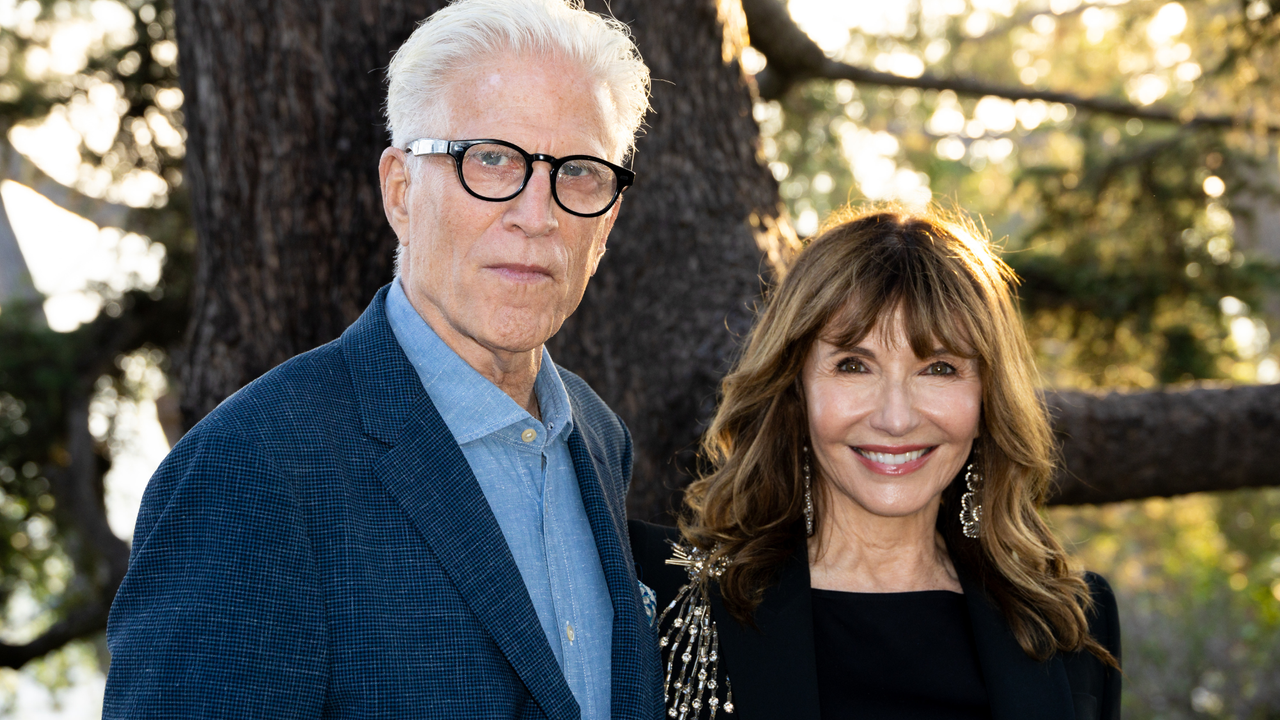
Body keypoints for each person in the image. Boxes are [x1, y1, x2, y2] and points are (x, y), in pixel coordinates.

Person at [103, 1, 662, 718]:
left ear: (608, 220)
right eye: (490, 160)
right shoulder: (251, 467)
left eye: (580, 172)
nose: (537, 213)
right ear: (401, 191)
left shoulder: (597, 435)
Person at [631, 206, 1122, 720]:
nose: (895, 418)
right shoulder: (664, 594)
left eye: (939, 368)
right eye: (853, 365)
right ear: (794, 389)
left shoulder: (1074, 625)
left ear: (987, 400)